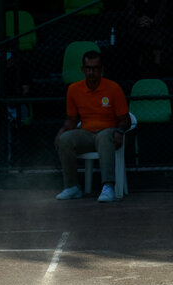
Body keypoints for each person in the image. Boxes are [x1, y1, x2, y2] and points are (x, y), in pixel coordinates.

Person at [54, 51, 131, 202]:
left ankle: (108, 186)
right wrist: (61, 131)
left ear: (102, 69)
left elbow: (125, 119)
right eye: (88, 68)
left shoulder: (113, 88)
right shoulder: (73, 90)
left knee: (103, 136)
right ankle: (72, 187)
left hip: (108, 133)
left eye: (95, 68)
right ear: (83, 70)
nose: (91, 72)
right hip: (86, 133)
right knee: (65, 139)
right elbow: (71, 119)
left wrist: (120, 131)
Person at [125, 0, 169, 72]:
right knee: (134, 34)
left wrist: (152, 21)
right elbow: (130, 13)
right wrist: (138, 21)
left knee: (159, 33)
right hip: (139, 26)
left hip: (154, 25)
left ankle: (158, 66)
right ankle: (138, 66)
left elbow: (162, 12)